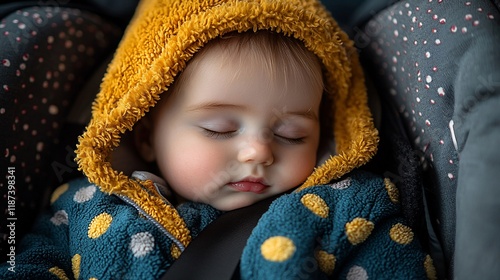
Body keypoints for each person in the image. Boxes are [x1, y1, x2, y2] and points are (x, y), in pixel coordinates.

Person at [0, 0, 436, 279]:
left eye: (292, 133)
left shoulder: (349, 207)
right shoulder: (82, 207)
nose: (258, 151)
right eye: (220, 130)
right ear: (146, 132)